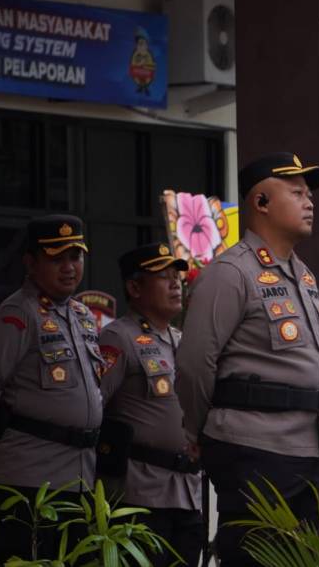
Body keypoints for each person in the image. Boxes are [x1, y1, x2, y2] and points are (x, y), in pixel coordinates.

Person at [175, 152, 319, 566]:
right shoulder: (231, 273)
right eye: (296, 192)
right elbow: (194, 364)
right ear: (261, 203)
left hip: (306, 447)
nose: (309, 201)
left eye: (309, 193)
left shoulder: (303, 275)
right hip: (252, 448)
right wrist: (199, 429)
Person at [0, 215, 104, 565]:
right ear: (30, 262)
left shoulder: (83, 316)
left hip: (79, 479)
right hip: (28, 478)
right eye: (57, 258)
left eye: (76, 256)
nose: (69, 267)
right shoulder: (16, 314)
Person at [97, 243, 202, 566]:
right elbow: (91, 408)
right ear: (134, 287)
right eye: (163, 277)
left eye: (177, 277)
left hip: (187, 494)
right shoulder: (117, 339)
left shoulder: (182, 340)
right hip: (140, 495)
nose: (175, 284)